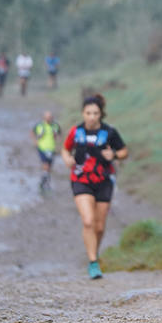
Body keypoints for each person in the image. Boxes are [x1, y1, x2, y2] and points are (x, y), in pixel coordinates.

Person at [60, 94, 127, 279]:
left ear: (101, 114)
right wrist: (67, 158)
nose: (91, 117)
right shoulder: (76, 132)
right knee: (88, 221)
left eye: (95, 113)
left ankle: (94, 254)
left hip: (104, 180)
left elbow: (123, 151)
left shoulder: (110, 132)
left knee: (99, 226)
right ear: (82, 113)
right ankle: (93, 262)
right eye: (88, 113)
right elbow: (65, 148)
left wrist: (113, 155)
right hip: (81, 179)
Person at [32, 110, 61, 191]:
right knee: (45, 165)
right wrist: (35, 142)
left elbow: (59, 134)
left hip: (51, 149)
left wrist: (58, 142)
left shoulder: (55, 126)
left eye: (50, 117)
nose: (48, 119)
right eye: (46, 117)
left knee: (49, 166)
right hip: (42, 148)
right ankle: (46, 183)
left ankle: (43, 180)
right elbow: (32, 133)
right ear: (43, 118)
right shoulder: (39, 126)